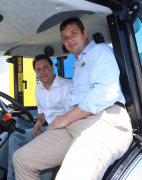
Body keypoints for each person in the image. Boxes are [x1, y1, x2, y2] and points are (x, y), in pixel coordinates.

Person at [12, 17, 133, 180]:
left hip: (104, 121)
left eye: (73, 33)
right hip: (74, 124)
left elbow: (106, 92)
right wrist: (57, 120)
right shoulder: (78, 64)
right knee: (21, 159)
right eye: (65, 37)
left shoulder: (100, 51)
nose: (69, 40)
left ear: (84, 33)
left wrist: (65, 118)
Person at [7, 54, 72, 180]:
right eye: (38, 69)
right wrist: (38, 123)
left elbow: (72, 115)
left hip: (64, 132)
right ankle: (12, 177)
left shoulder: (66, 87)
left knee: (39, 154)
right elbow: (42, 112)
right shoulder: (38, 88)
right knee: (15, 137)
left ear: (52, 68)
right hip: (47, 129)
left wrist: (55, 126)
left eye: (45, 67)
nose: (42, 72)